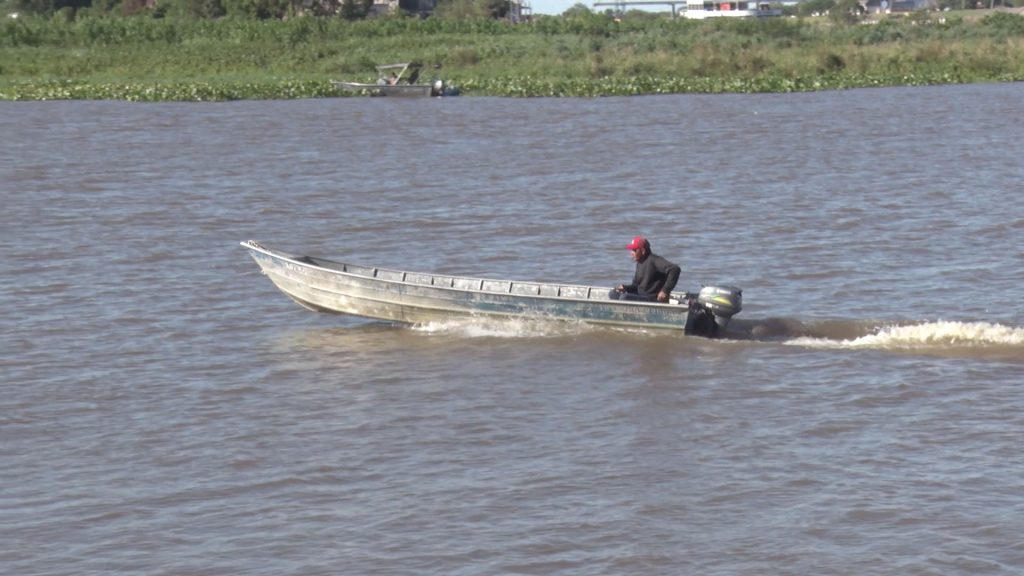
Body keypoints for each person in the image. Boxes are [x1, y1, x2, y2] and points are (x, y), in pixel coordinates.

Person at [609, 235, 681, 303]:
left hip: (652, 299)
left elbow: (674, 269)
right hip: (640, 296)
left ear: (642, 251)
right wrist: (626, 288)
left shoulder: (654, 260)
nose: (631, 253)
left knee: (624, 298)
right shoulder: (640, 263)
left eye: (634, 250)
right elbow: (636, 286)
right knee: (613, 293)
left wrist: (665, 291)